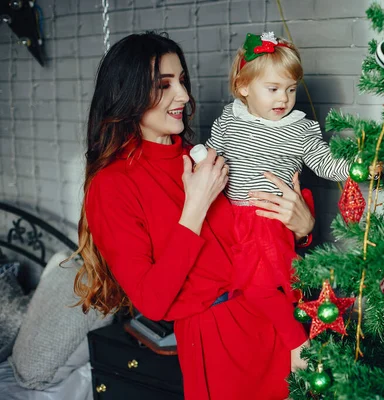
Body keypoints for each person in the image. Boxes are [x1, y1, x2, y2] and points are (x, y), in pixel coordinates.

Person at [73, 32, 316, 400]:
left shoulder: (197, 154)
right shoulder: (111, 185)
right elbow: (152, 301)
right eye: (164, 85)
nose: (184, 97)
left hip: (277, 314)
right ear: (129, 92)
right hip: (219, 341)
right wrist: (195, 207)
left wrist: (303, 227)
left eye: (182, 81)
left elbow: (250, 234)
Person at [204, 31, 349, 370]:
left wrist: (356, 168)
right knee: (240, 293)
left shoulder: (299, 129)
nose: (283, 98)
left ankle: (296, 344)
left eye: (291, 89)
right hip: (229, 220)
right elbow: (212, 155)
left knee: (261, 290)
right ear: (243, 87)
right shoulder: (229, 119)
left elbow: (325, 163)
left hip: (267, 221)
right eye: (273, 89)